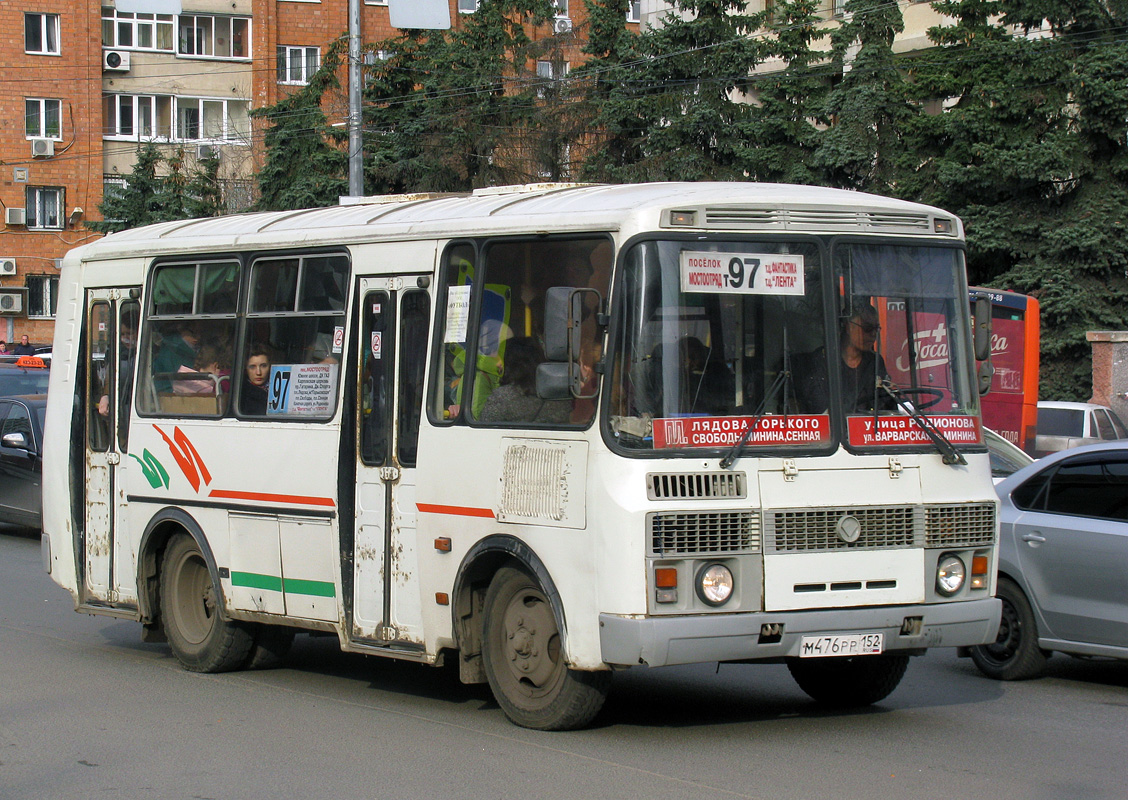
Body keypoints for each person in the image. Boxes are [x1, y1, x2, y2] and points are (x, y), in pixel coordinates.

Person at [793, 303, 896, 414]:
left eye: (876, 329)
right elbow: (816, 408)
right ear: (848, 326)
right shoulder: (819, 361)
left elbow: (884, 406)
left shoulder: (875, 362)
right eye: (867, 328)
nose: (873, 334)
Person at [479, 337, 570, 424]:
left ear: (510, 364)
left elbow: (484, 425)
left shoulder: (501, 397)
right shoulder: (558, 396)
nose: (499, 364)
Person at [151, 322, 200, 392]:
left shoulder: (182, 349)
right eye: (193, 333)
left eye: (200, 333)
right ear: (181, 330)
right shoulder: (173, 351)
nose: (198, 338)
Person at [240, 345, 271, 415]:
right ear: (245, 368)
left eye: (263, 366)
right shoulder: (241, 394)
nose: (258, 372)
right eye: (252, 367)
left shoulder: (279, 388)